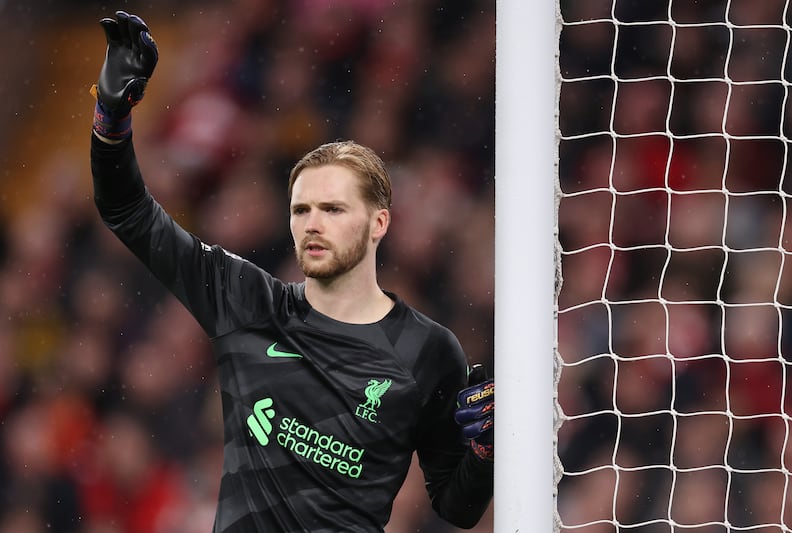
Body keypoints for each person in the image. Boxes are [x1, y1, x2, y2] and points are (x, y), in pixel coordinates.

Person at [89, 11, 494, 532]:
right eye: (301, 210)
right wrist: (110, 117)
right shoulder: (247, 302)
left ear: (378, 223)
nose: (312, 225)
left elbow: (456, 507)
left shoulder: (429, 352)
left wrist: (483, 452)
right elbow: (127, 210)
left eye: (333, 209)